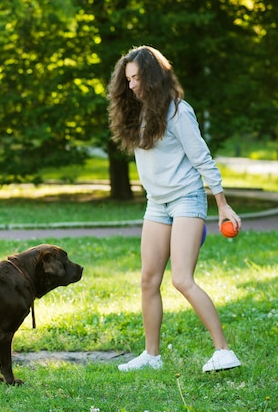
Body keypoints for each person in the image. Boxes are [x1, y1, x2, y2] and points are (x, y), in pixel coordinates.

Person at [107, 45, 242, 373]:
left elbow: (202, 158)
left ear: (153, 77)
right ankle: (151, 357)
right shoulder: (138, 112)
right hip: (157, 204)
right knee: (148, 280)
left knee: (182, 279)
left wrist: (222, 204)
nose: (132, 85)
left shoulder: (179, 112)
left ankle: (224, 351)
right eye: (128, 79)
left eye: (137, 78)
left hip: (186, 199)